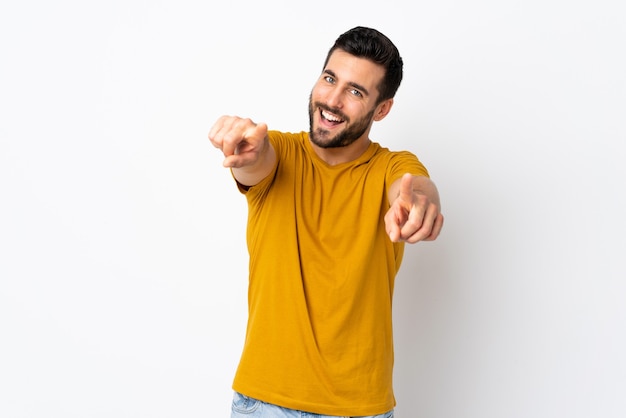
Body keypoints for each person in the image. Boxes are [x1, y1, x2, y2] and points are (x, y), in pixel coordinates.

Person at [209, 26, 444, 418]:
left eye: (355, 91)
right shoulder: (278, 152)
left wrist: (418, 204)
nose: (332, 100)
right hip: (265, 403)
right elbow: (256, 164)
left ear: (382, 109)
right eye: (330, 78)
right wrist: (244, 149)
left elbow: (414, 187)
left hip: (359, 408)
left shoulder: (392, 167)